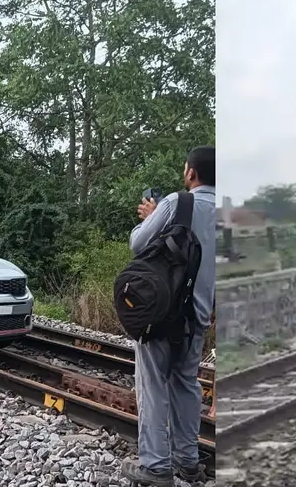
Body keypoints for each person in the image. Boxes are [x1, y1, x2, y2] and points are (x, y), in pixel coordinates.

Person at [121, 146, 216, 487]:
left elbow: (138, 244)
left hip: (162, 313)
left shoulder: (177, 202)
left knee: (152, 385)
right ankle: (188, 463)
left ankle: (157, 467)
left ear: (191, 173)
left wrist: (151, 217)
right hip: (200, 317)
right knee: (186, 385)